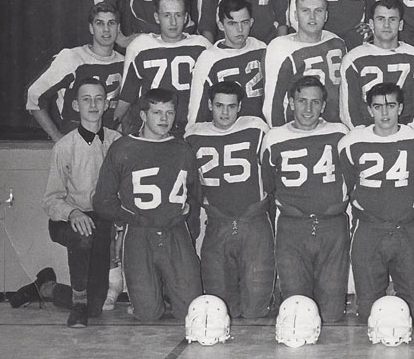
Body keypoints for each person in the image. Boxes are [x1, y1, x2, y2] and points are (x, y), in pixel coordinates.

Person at [93, 88, 203, 321]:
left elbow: (194, 194)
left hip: (175, 232)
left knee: (191, 311)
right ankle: (153, 295)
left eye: (169, 113)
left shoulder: (182, 149)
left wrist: (188, 224)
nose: (164, 119)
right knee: (148, 314)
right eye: (157, 112)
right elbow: (103, 201)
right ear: (143, 115)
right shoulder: (123, 148)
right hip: (139, 234)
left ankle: (171, 290)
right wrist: (130, 218)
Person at [338, 82, 414, 324]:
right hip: (369, 229)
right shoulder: (351, 142)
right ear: (369, 110)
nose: (385, 112)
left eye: (390, 105)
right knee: (368, 310)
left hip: (406, 227)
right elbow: (348, 184)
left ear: (400, 107)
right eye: (378, 106)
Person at [260, 76, 350, 322]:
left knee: (332, 313)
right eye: (302, 101)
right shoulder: (274, 137)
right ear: (291, 102)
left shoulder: (339, 133)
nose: (308, 109)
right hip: (293, 227)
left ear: (323, 105)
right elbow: (269, 182)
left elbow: (351, 176)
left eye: (315, 102)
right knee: (295, 307)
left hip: (332, 227)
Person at [184, 81, 274, 318]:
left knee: (255, 309)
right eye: (219, 106)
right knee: (220, 308)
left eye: (231, 106)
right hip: (217, 223)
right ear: (209, 105)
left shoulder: (257, 128)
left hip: (254, 222)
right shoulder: (193, 134)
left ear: (240, 107)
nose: (225, 112)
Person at [42, 77, 122, 327]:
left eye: (99, 99)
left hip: (101, 222)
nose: (93, 105)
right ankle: (77, 304)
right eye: (86, 99)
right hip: (68, 220)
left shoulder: (117, 142)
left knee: (95, 307)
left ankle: (46, 287)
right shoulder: (64, 146)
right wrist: (73, 213)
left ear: (107, 104)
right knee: (83, 236)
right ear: (76, 105)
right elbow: (51, 200)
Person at [114, 0, 211, 134]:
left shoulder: (202, 46)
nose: (173, 22)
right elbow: (127, 95)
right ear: (157, 17)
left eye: (178, 15)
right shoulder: (140, 46)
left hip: (193, 128)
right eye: (167, 15)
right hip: (153, 130)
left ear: (186, 17)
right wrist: (112, 126)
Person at [26, 3, 124, 141]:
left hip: (109, 139)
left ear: (118, 28)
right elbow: (34, 95)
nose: (106, 29)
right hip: (76, 136)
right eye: (100, 23)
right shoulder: (72, 58)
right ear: (91, 28)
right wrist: (56, 136)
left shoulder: (125, 62)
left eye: (111, 23)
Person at [340, 0, 414, 129]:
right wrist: (362, 134)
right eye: (380, 19)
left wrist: (408, 132)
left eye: (392, 19)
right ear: (371, 23)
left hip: (405, 132)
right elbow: (348, 109)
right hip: (365, 133)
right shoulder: (353, 58)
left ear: (401, 25)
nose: (386, 25)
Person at [263, 0, 346, 126]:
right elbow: (273, 103)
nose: (312, 17)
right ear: (296, 15)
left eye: (318, 11)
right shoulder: (280, 48)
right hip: (297, 128)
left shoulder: (336, 42)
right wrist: (280, 132)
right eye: (305, 11)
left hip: (333, 126)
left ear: (326, 15)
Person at [188, 0, 267, 124]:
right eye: (232, 23)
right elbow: (197, 109)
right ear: (221, 25)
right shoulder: (209, 59)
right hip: (225, 130)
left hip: (259, 127)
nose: (240, 29)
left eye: (245, 22)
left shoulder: (261, 48)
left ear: (251, 22)